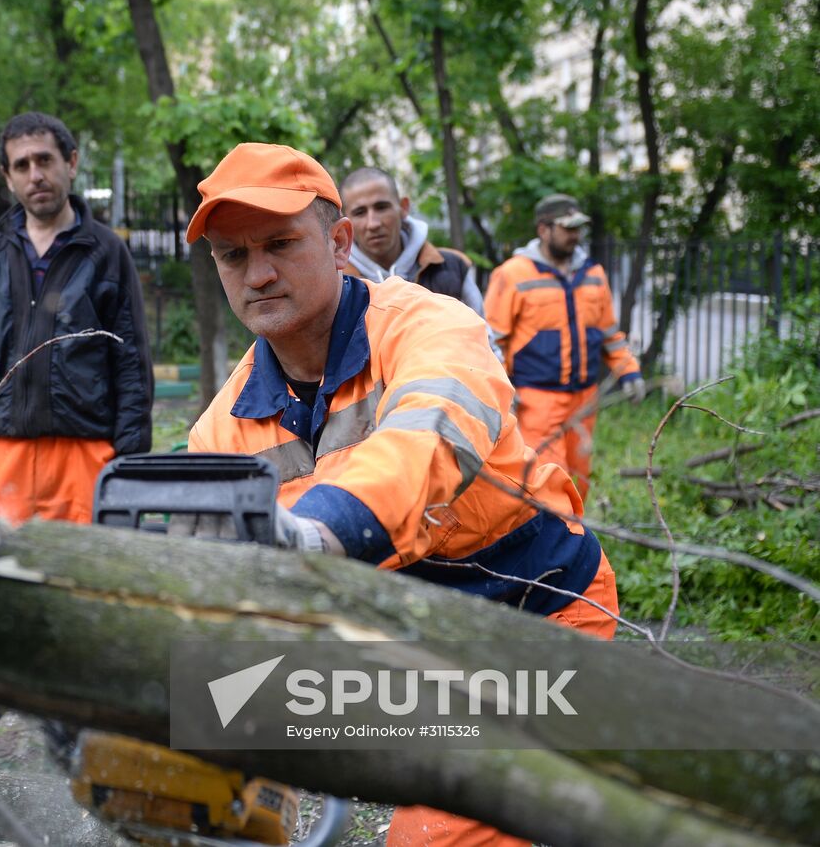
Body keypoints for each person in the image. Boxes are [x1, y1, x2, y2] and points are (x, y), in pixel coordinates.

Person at [184, 143, 618, 847]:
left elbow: (428, 440)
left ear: (339, 241)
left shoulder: (429, 326)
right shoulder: (226, 420)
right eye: (233, 257)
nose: (258, 272)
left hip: (535, 617)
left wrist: (318, 529)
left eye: (281, 244)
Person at [0, 111, 154, 766]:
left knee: (76, 606)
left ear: (71, 163)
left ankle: (78, 757)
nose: (36, 174)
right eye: (22, 164)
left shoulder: (106, 251)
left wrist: (129, 467)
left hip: (82, 460)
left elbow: (131, 365)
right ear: (7, 176)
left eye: (45, 160)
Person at [483, 194, 644, 500]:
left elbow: (610, 334)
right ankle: (552, 541)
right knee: (547, 480)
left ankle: (575, 537)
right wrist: (501, 394)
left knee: (579, 477)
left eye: (578, 228)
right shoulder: (513, 274)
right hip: (536, 401)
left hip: (584, 400)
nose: (575, 235)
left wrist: (630, 372)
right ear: (543, 229)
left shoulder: (593, 274)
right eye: (567, 228)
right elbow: (493, 342)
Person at [339, 166, 484, 314]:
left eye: (382, 207)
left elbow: (483, 334)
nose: (373, 223)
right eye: (360, 213)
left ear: (403, 207)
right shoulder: (336, 283)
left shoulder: (453, 266)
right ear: (343, 220)